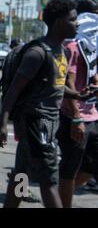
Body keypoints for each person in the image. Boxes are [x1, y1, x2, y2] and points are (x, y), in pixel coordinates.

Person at [0, 0, 78, 208]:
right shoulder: (37, 53)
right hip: (36, 122)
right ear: (60, 22)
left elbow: (56, 86)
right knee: (49, 180)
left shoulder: (62, 51)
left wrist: (79, 95)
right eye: (72, 19)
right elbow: (14, 90)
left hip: (48, 121)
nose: (76, 24)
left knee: (21, 173)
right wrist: (3, 123)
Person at [57, 11, 98, 208]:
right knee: (69, 168)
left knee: (90, 167)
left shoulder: (92, 47)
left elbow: (94, 76)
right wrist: (76, 117)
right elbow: (68, 82)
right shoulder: (72, 47)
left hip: (92, 115)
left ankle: (58, 192)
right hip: (73, 117)